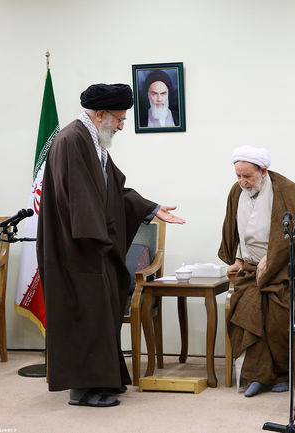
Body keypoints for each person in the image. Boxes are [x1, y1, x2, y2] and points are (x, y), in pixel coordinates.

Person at [36, 83, 185, 407]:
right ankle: (82, 389)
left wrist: (150, 208)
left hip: (92, 245)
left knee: (100, 314)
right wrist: (100, 240)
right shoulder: (72, 140)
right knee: (84, 315)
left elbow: (114, 191)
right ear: (100, 114)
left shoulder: (92, 141)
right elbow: (79, 199)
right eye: (119, 119)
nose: (121, 125)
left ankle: (105, 380)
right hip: (78, 248)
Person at [218, 145, 295, 397]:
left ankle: (281, 375)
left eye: (247, 176)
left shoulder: (286, 189)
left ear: (263, 171)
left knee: (278, 314)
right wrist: (239, 259)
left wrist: (272, 258)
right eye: (238, 176)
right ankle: (256, 376)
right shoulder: (236, 192)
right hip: (251, 270)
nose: (242, 181)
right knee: (246, 308)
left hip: (285, 271)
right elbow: (235, 229)